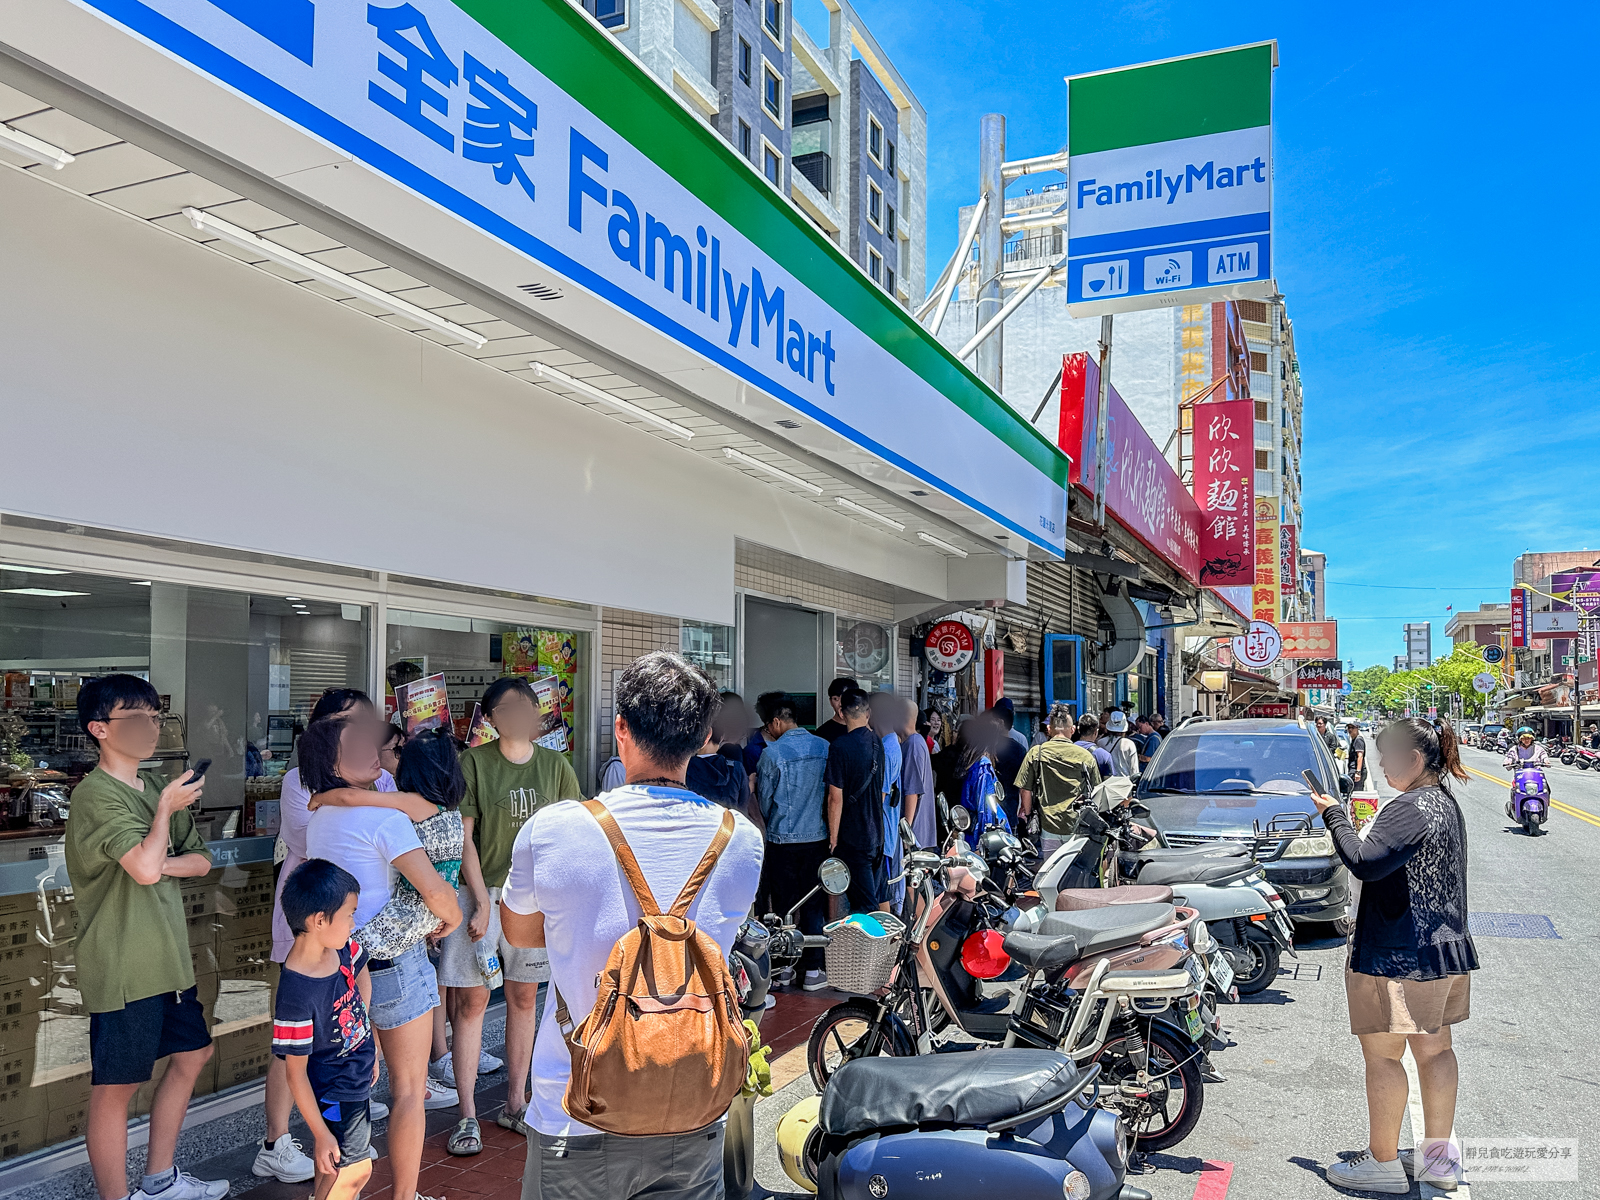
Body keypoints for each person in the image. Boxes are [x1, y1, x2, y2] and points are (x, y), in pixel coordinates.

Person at [499, 651, 762, 1200]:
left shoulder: (555, 829)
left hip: (575, 1107)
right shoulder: (741, 839)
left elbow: (522, 937)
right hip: (693, 1102)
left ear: (621, 729)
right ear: (705, 735)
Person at [66, 675, 226, 1200]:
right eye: (135, 720)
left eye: (156, 718)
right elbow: (142, 867)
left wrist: (160, 853)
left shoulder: (159, 787)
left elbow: (200, 861)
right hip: (122, 964)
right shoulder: (94, 796)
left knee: (193, 1054)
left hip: (168, 958)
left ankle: (159, 1180)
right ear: (99, 729)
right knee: (116, 1089)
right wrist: (162, 820)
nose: (150, 729)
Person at [1311, 718, 1477, 1195]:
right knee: (1437, 1050)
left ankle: (1382, 1163)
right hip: (1442, 948)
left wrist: (1334, 815)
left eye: (1389, 756)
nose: (1382, 765)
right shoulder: (1444, 803)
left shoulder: (1409, 807)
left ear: (1415, 759)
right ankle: (1438, 1161)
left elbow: (1364, 860)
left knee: (1384, 1056)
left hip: (1396, 952)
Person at [303, 716, 462, 1200]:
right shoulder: (389, 819)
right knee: (410, 1091)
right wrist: (452, 918)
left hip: (339, 964)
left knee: (347, 1095)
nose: (370, 751)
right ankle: (404, 1196)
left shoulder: (320, 817)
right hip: (395, 963)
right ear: (331, 765)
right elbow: (437, 895)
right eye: (353, 748)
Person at [437, 676, 583, 1142]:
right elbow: (465, 838)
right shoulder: (473, 762)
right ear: (491, 718)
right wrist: (480, 902)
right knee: (472, 1002)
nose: (519, 715)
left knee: (524, 998)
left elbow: (570, 834)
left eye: (527, 707)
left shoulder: (556, 764)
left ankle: (515, 1103)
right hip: (481, 895)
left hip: (536, 900)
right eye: (507, 708)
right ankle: (465, 1115)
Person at [263, 689, 398, 1184]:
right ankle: (277, 1138)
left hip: (353, 921)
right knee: (295, 1041)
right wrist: (359, 803)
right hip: (313, 921)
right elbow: (309, 840)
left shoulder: (380, 777)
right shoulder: (301, 781)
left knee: (348, 1015)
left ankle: (347, 1100)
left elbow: (403, 823)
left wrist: (353, 798)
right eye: (347, 724)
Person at [273, 860, 378, 1200]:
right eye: (349, 914)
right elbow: (295, 1074)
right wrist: (320, 1134)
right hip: (335, 1089)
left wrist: (366, 1043)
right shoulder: (296, 996)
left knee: (331, 1171)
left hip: (355, 1076)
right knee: (355, 1169)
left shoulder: (342, 947)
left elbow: (360, 977)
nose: (353, 922)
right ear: (319, 920)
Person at [754, 692, 831, 989]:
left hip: (781, 839)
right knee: (813, 903)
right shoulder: (824, 747)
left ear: (776, 722)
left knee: (783, 905)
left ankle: (784, 970)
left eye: (768, 726)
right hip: (817, 838)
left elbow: (764, 799)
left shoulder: (772, 754)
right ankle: (813, 971)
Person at [824, 688, 888, 913]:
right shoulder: (877, 743)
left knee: (865, 904)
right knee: (875, 896)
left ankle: (873, 946)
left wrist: (833, 837)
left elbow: (835, 797)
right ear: (868, 713)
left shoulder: (840, 747)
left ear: (841, 713)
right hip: (877, 833)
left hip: (853, 835)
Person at [1015, 703, 1103, 854]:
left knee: (1051, 871)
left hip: (1048, 825)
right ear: (1073, 729)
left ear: (1049, 729)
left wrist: (1028, 815)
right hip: (1078, 825)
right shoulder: (1085, 756)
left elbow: (1025, 790)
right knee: (1075, 871)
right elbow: (1097, 791)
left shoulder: (1037, 753)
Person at [869, 693, 905, 910]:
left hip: (883, 831)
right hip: (885, 831)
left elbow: (879, 797)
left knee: (882, 891)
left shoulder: (888, 750)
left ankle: (888, 939)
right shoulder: (890, 743)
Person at [686, 716, 751, 812]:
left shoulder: (684, 769)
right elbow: (743, 807)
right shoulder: (736, 768)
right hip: (727, 825)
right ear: (721, 738)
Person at [898, 697, 937, 852]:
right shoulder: (915, 742)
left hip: (915, 834)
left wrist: (906, 833)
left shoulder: (913, 745)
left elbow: (912, 792)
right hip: (920, 832)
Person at [987, 705, 1027, 827]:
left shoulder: (986, 747)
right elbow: (1024, 784)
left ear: (1000, 722)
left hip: (987, 812)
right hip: (1011, 810)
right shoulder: (1020, 749)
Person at [814, 676, 859, 744]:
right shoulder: (822, 733)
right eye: (836, 699)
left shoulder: (864, 729)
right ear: (831, 702)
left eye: (845, 698)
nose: (840, 703)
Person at [1097, 711, 1140, 778]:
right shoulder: (1130, 744)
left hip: (1107, 782)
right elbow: (1134, 771)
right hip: (1125, 783)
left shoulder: (1100, 742)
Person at [1346, 721, 1368, 792]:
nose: (1350, 730)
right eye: (1349, 727)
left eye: (1352, 728)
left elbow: (1360, 756)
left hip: (1356, 771)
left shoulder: (1358, 740)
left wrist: (1358, 772)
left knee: (1356, 793)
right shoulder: (1354, 740)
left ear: (1357, 728)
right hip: (1353, 770)